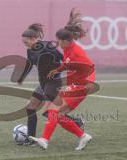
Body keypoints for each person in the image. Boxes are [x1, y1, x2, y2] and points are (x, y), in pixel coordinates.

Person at [29, 8, 95, 151]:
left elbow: (89, 68)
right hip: (75, 82)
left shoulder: (76, 53)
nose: (58, 43)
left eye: (59, 40)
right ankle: (82, 136)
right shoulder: (67, 47)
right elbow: (66, 64)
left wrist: (87, 83)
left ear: (65, 40)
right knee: (55, 114)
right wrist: (56, 70)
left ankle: (45, 140)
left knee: (53, 110)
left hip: (82, 84)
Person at [18, 23, 84, 146]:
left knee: (49, 112)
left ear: (33, 39)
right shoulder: (30, 51)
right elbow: (29, 64)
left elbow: (62, 58)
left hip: (53, 83)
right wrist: (21, 78)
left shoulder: (47, 47)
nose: (25, 45)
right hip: (43, 84)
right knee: (30, 107)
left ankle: (76, 123)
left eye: (26, 42)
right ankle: (31, 139)